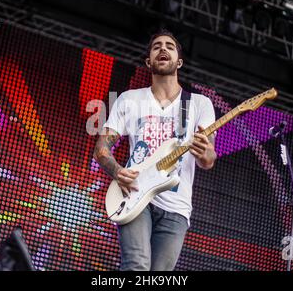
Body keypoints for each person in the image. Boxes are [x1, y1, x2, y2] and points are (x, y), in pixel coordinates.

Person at [93, 29, 217, 271]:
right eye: (157, 46)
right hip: (134, 194)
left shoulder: (199, 104)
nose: (163, 49)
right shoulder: (130, 99)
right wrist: (117, 171)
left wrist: (203, 153)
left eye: (170, 46)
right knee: (136, 266)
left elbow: (209, 159)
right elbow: (101, 148)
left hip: (177, 206)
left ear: (179, 61)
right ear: (148, 61)